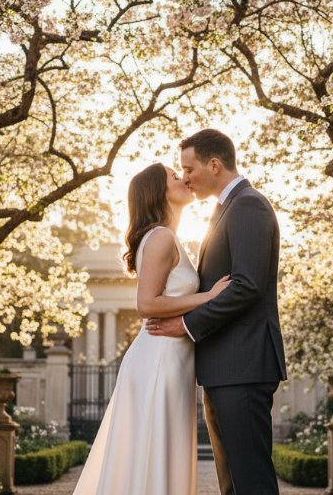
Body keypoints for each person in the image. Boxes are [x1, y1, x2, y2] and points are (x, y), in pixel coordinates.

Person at [73, 162, 231, 495]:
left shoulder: (167, 237)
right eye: (176, 176)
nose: (185, 178)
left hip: (171, 357)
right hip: (160, 358)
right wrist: (209, 296)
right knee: (156, 448)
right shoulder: (159, 237)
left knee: (160, 449)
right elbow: (146, 304)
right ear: (158, 192)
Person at [147, 128, 287, 495]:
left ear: (214, 164)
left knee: (250, 478)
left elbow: (247, 285)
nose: (186, 177)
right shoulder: (226, 210)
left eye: (188, 168)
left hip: (243, 365)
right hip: (224, 367)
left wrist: (186, 325)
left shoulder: (248, 205)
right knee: (232, 482)